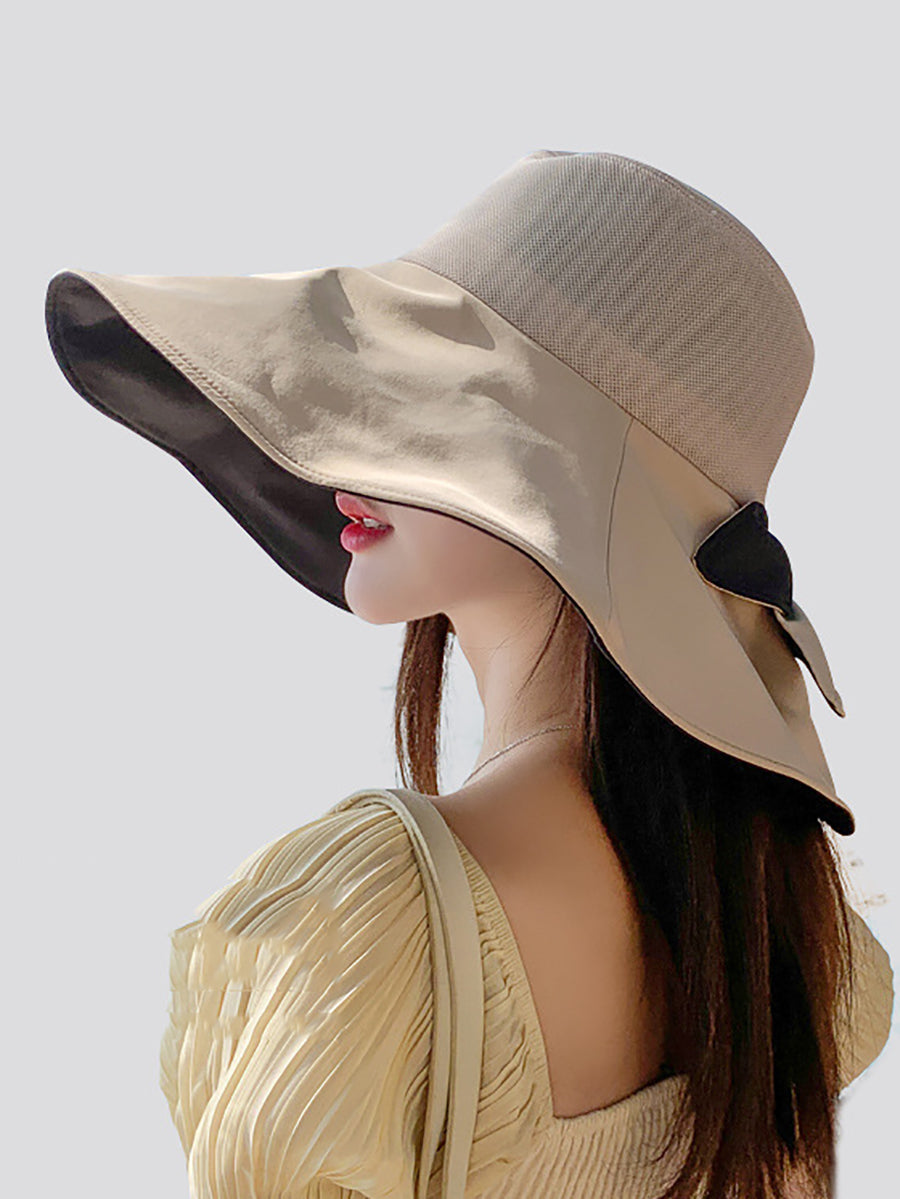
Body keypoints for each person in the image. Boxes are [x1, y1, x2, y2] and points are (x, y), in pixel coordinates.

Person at [44, 149, 893, 1198]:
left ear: (561, 475)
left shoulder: (373, 912)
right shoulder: (785, 932)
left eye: (421, 401)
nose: (352, 448)